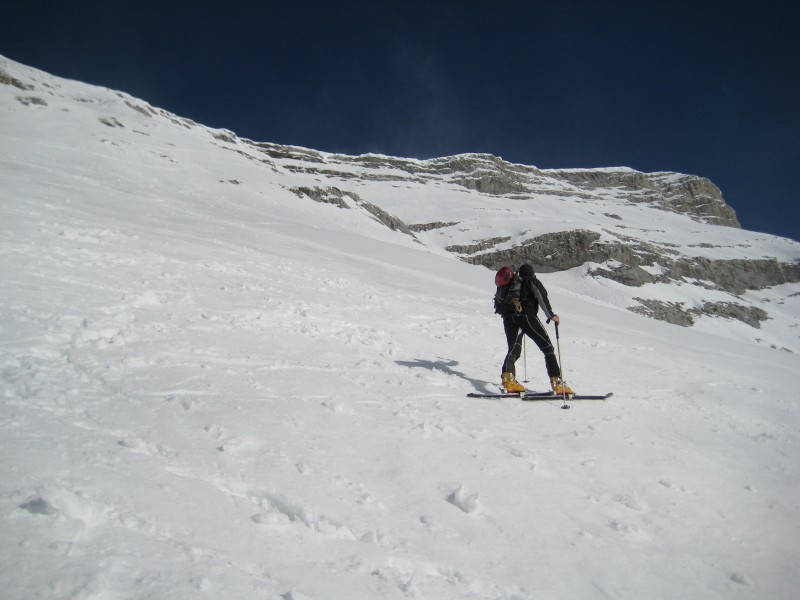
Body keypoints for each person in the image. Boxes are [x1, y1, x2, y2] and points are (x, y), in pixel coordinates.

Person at [498, 264, 572, 394]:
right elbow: (541, 296)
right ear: (532, 273)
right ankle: (557, 383)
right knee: (547, 348)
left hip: (509, 318)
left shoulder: (512, 284)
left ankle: (508, 379)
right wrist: (551, 315)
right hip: (527, 316)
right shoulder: (531, 281)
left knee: (514, 348)